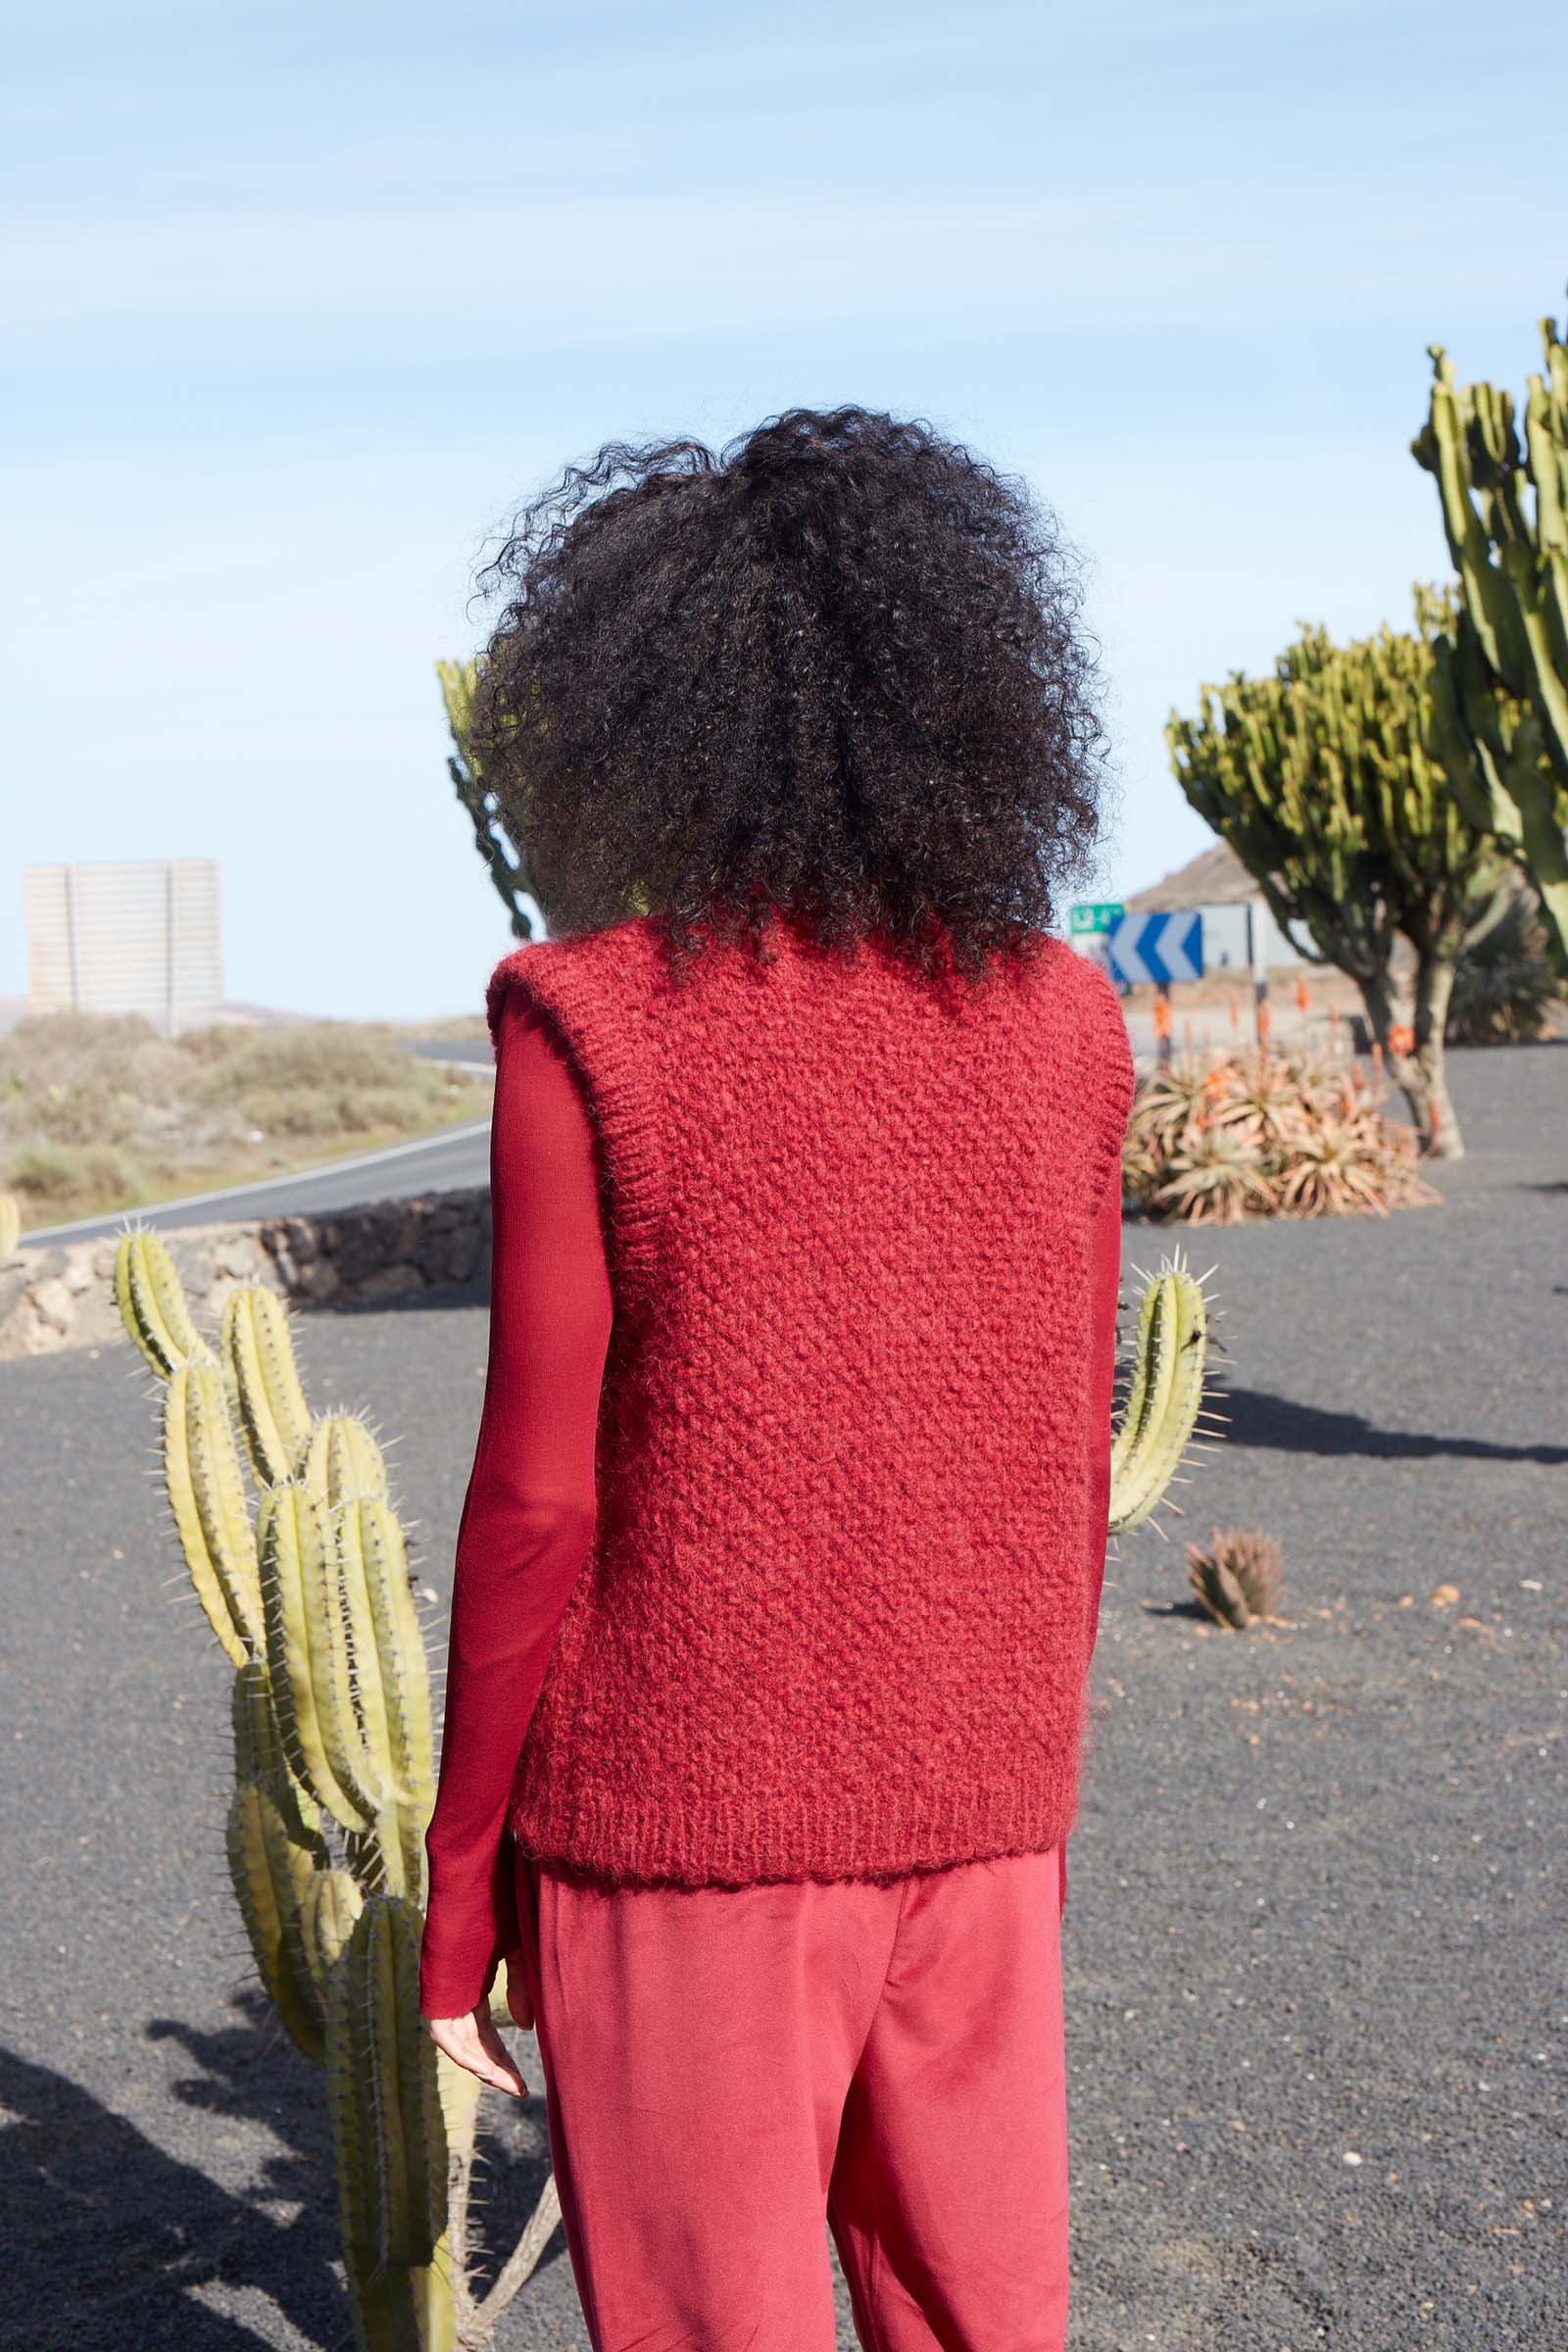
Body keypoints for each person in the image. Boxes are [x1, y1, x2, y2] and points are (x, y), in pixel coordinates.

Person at [418, 406, 1134, 2351]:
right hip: (978, 1812)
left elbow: (537, 1501)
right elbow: (1065, 1465)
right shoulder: (1063, 1020)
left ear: (629, 715)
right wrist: (1023, 1794)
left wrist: (461, 1895)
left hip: (679, 1835)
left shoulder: (590, 1021)